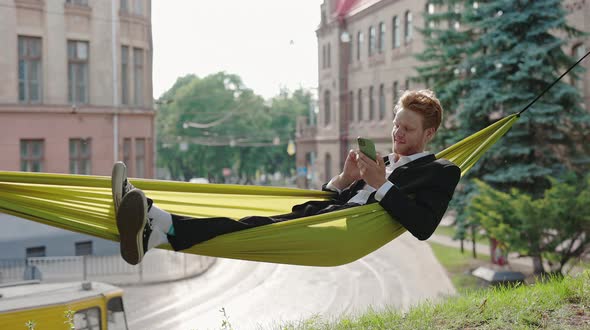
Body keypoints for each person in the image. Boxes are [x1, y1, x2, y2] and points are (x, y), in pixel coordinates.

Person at [113, 89, 461, 265]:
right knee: (243, 222)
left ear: (429, 134)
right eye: (395, 124)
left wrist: (380, 185)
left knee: (247, 228)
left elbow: (424, 226)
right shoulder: (380, 159)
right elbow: (337, 197)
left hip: (339, 233)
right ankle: (157, 231)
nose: (396, 133)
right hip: (323, 215)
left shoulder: (441, 172)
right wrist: (343, 178)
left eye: (407, 129)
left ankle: (157, 220)